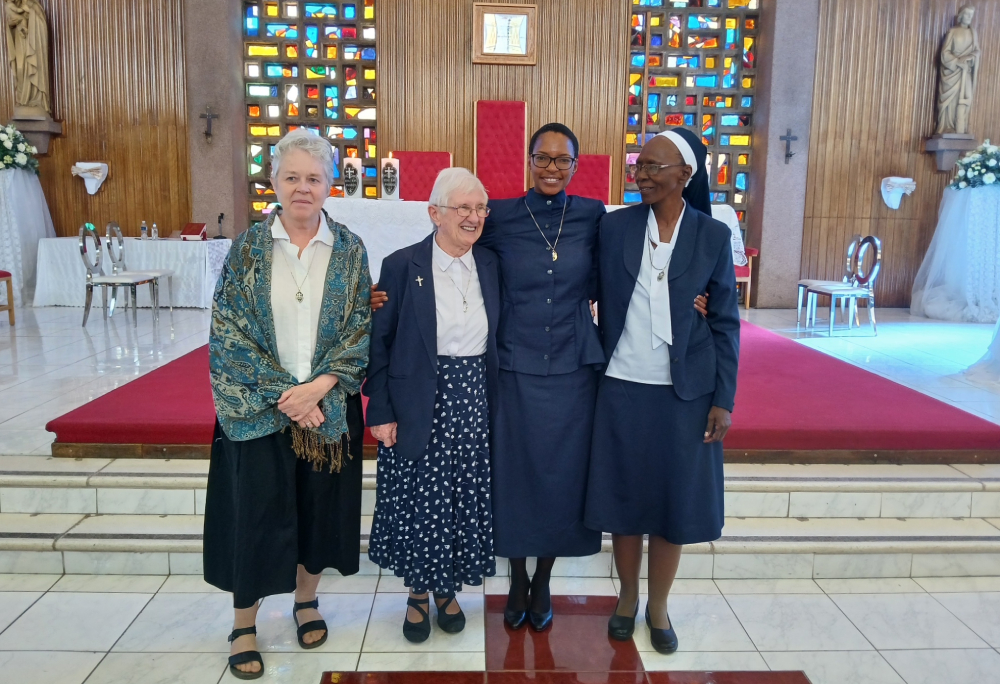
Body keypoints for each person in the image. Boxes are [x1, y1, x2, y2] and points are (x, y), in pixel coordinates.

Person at [205, 129, 371, 679]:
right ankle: (244, 622)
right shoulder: (248, 249)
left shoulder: (349, 249)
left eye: (314, 178)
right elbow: (227, 331)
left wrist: (319, 388)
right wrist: (287, 395)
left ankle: (305, 602)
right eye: (292, 177)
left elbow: (359, 330)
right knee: (254, 518)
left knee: (317, 513)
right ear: (274, 182)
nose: (303, 188)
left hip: (325, 408)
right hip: (260, 411)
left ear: (330, 185)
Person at [585, 127, 740, 654]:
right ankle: (627, 598)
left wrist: (724, 398)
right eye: (639, 166)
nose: (642, 175)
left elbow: (725, 322)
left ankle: (658, 606)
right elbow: (572, 286)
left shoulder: (712, 236)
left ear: (685, 175)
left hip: (686, 393)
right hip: (623, 384)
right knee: (626, 504)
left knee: (672, 508)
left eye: (654, 167)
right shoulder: (614, 227)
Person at [365, 168, 500, 642]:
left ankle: (447, 589)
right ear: (434, 213)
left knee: (461, 499)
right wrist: (379, 410)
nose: (473, 217)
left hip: (474, 399)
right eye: (462, 207)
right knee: (422, 501)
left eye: (480, 208)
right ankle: (418, 595)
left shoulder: (491, 264)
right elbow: (378, 344)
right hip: (418, 398)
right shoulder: (403, 266)